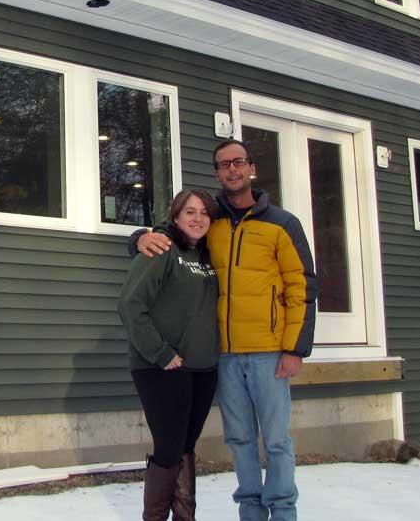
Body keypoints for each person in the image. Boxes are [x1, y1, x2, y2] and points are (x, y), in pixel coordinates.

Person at [131, 139, 317, 521]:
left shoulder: (283, 224)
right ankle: (250, 511)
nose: (232, 170)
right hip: (225, 356)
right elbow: (169, 233)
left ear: (251, 167)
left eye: (238, 162)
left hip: (269, 352)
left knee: (277, 441)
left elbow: (303, 286)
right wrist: (137, 238)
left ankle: (283, 512)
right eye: (223, 165)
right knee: (240, 439)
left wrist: (296, 348)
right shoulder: (210, 221)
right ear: (217, 172)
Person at [118, 189, 221, 521]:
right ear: (175, 216)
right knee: (168, 449)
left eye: (204, 212)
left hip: (203, 368)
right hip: (161, 367)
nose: (197, 218)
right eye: (189, 212)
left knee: (185, 449)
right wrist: (160, 353)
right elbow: (131, 305)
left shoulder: (206, 255)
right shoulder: (162, 248)